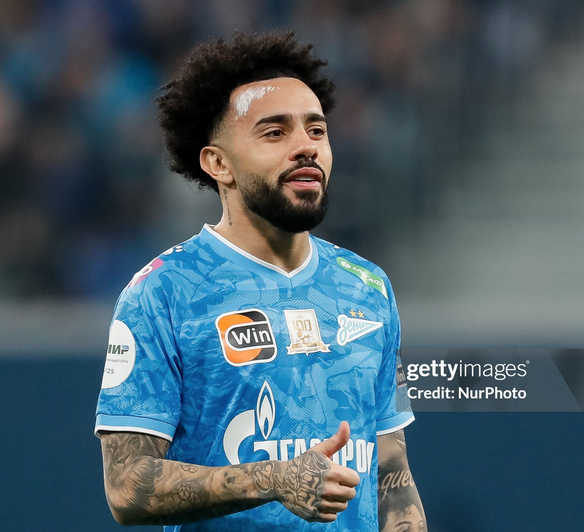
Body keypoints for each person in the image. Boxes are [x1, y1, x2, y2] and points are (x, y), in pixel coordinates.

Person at [95, 31, 426, 531]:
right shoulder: (162, 292)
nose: (306, 147)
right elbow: (126, 487)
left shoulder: (368, 288)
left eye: (316, 130)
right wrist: (275, 479)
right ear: (218, 163)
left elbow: (392, 474)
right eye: (275, 133)